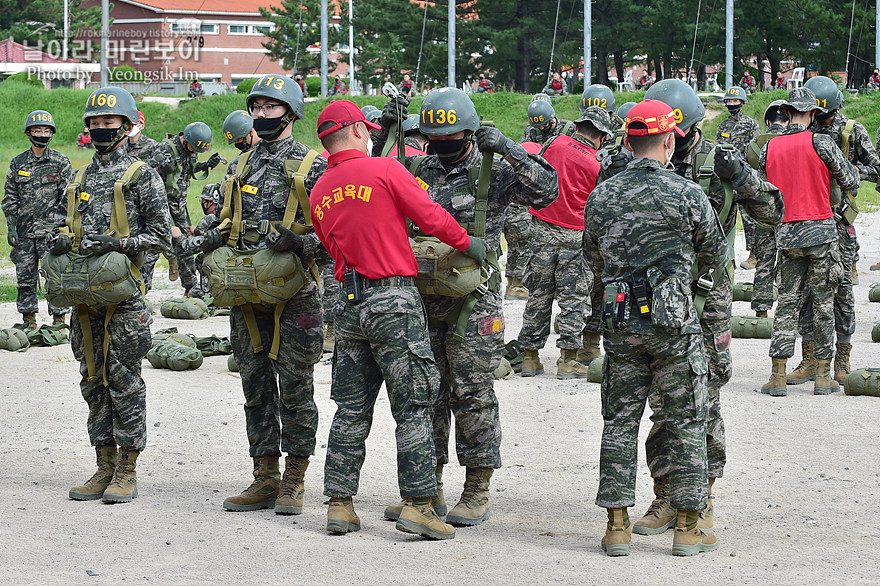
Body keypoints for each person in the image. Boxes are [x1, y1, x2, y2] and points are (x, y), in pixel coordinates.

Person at [374, 88, 558, 527]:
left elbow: (548, 191)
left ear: (472, 133)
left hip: (475, 304)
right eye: (434, 137)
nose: (443, 145)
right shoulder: (417, 165)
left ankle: (477, 487)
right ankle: (428, 486)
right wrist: (385, 130)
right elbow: (372, 176)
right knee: (426, 394)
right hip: (422, 296)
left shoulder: (490, 168)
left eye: (451, 136)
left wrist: (510, 148)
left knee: (471, 393)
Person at [312, 100, 487, 539]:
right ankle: (419, 504)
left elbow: (331, 248)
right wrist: (468, 243)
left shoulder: (318, 190)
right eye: (367, 130)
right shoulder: (385, 171)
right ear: (355, 131)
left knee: (351, 408)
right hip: (393, 299)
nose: (371, 135)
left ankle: (339, 504)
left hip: (349, 305)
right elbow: (429, 216)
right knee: (414, 405)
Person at [625, 79, 784, 537]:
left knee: (705, 398)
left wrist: (743, 177)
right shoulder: (636, 161)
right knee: (659, 398)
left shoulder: (720, 161)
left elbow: (774, 211)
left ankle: (702, 496)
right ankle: (666, 493)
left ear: (689, 129)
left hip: (705, 298)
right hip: (651, 298)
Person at [585, 99, 728, 557]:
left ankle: (617, 526)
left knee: (619, 423)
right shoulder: (687, 194)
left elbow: (592, 257)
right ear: (670, 140)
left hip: (621, 323)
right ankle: (688, 528)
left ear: (627, 141)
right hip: (674, 326)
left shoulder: (603, 194)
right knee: (686, 422)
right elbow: (716, 256)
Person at [198, 75, 329, 515]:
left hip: (298, 294)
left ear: (290, 112)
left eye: (271, 108)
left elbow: (338, 234)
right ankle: (265, 475)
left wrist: (301, 243)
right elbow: (222, 222)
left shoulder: (315, 166)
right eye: (256, 107)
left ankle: (295, 477)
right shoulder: (239, 166)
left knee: (295, 385)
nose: (261, 115)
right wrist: (207, 239)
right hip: (245, 291)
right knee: (254, 385)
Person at [57, 87, 171, 503]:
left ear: (125, 126)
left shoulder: (143, 175)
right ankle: (102, 464)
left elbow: (160, 236)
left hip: (126, 299)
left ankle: (127, 468)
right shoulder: (78, 178)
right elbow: (63, 225)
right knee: (92, 380)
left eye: (109, 123)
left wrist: (115, 244)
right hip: (85, 299)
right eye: (95, 123)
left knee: (123, 380)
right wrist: (56, 239)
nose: (101, 129)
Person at [759, 87, 859, 397]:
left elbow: (760, 190)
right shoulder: (822, 143)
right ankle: (822, 376)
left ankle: (777, 375)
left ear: (786, 113)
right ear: (813, 114)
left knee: (787, 303)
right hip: (822, 233)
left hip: (787, 235)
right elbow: (852, 181)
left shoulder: (770, 147)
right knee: (824, 305)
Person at [790, 76, 880, 385]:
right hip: (808, 220)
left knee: (841, 289)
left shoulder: (851, 132)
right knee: (803, 290)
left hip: (840, 222)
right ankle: (809, 357)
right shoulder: (804, 129)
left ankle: (842, 357)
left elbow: (876, 167)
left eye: (826, 115)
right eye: (817, 114)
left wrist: (852, 170)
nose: (821, 120)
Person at [517, 106, 612, 380]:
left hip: (541, 229)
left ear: (579, 127)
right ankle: (568, 360)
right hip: (575, 235)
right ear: (602, 136)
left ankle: (529, 358)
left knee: (538, 294)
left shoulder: (555, 142)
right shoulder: (596, 163)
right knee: (574, 298)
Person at [2, 110, 73, 330]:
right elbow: (10, 198)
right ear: (28, 133)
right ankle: (29, 320)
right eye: (37, 130)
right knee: (25, 277)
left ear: (51, 134)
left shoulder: (60, 162)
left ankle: (59, 320)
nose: (42, 134)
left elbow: (68, 198)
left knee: (54, 276)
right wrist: (11, 227)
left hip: (51, 233)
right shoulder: (18, 163)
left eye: (45, 130)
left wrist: (63, 229)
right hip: (24, 233)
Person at [144, 122, 222, 297]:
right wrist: (160, 168)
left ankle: (190, 287)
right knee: (153, 245)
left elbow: (189, 169)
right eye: (193, 148)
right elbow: (146, 175)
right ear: (184, 139)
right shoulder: (165, 148)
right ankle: (141, 289)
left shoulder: (191, 150)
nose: (194, 152)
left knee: (184, 243)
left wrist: (206, 165)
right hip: (160, 204)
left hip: (179, 206)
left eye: (197, 150)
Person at [745, 101, 790, 319]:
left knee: (764, 263)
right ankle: (786, 310)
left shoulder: (755, 144)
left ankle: (761, 311)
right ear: (788, 120)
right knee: (788, 263)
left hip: (762, 213)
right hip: (787, 212)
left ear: (767, 121)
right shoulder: (792, 142)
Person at [715, 87, 760, 270]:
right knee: (725, 217)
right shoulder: (723, 125)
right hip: (725, 178)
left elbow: (756, 150)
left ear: (742, 103)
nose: (732, 104)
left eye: (735, 101)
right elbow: (719, 147)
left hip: (743, 176)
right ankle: (728, 255)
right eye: (729, 102)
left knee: (749, 218)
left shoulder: (751, 124)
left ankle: (754, 254)